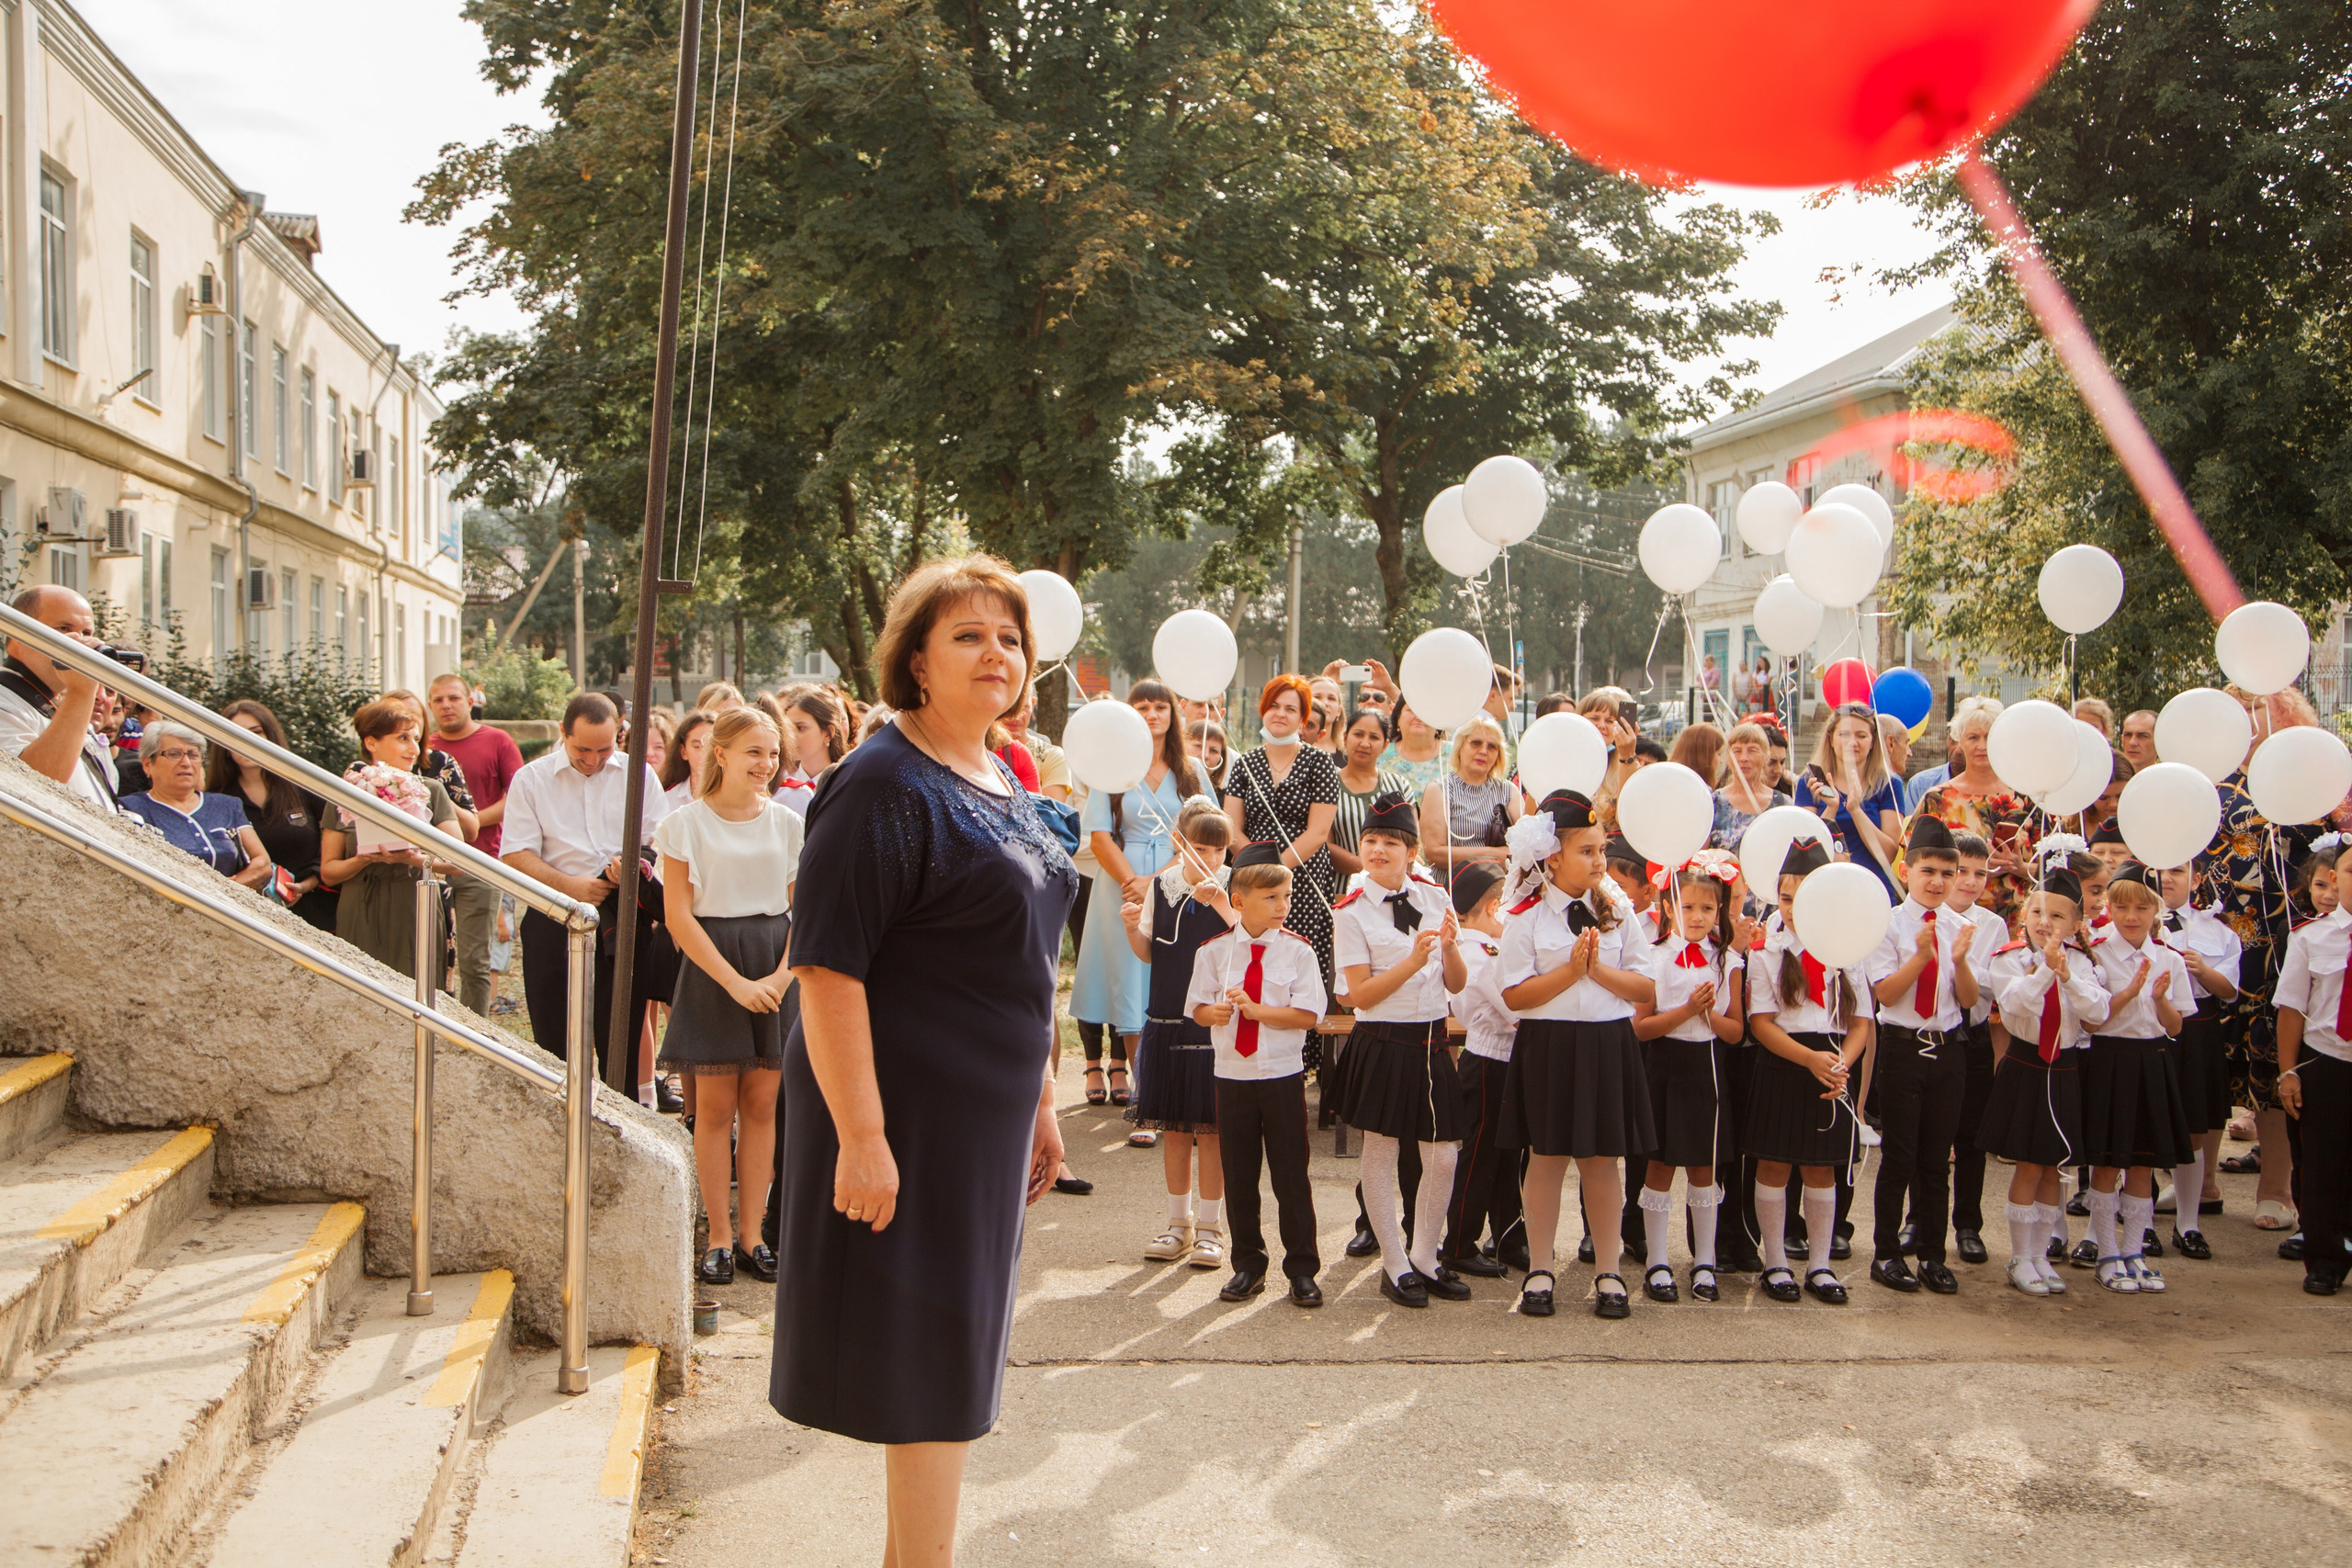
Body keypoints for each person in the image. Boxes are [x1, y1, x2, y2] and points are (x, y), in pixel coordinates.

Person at [772, 555, 1078, 1564]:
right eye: (968, 635)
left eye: (1009, 637)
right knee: (929, 1371)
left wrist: (1041, 1097)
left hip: (986, 1117)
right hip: (909, 1114)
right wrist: (862, 1138)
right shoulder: (880, 782)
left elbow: (1023, 958)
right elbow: (827, 969)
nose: (996, 653)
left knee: (947, 1368)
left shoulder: (999, 772)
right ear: (915, 658)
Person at [656, 706, 802, 1287]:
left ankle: (751, 1236)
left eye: (773, 753)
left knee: (763, 1106)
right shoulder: (684, 824)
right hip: (714, 967)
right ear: (720, 754)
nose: (766, 764)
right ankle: (717, 1235)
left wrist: (781, 978)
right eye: (754, 753)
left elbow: (803, 912)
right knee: (715, 1109)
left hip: (774, 963)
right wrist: (735, 983)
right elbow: (678, 916)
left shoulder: (787, 823)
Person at [1498, 789, 1657, 1320]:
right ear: (1553, 857)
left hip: (1606, 1044)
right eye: (1586, 851)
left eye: (1601, 849)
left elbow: (1645, 987)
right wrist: (1570, 972)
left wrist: (1596, 971)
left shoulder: (1617, 907)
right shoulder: (1525, 915)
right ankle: (1541, 1269)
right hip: (1549, 1046)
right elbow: (1515, 995)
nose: (1599, 860)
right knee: (1546, 1158)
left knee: (1601, 1161)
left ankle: (1609, 1271)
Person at [1329, 793, 1468, 1307]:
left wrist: (1449, 947)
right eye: (1370, 840)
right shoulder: (1350, 912)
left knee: (1443, 1156)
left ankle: (1426, 1257)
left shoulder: (1436, 896)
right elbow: (1360, 995)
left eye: (1390, 841)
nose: (1378, 849)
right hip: (1383, 1042)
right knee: (1381, 1153)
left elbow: (1456, 983)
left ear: (1411, 851)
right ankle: (1394, 1263)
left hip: (1431, 1041)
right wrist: (1411, 962)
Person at [500, 692, 675, 1095]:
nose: (593, 760)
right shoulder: (531, 779)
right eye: (582, 750)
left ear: (620, 736)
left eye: (604, 749)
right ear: (563, 732)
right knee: (554, 1039)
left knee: (621, 1040)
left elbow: (661, 841)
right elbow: (515, 854)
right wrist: (570, 887)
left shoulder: (639, 775)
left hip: (621, 917)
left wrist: (630, 866)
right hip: (553, 913)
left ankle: (621, 1118)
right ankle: (560, 1119)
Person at [1188, 841, 1328, 1307]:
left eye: (1286, 896)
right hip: (1232, 1076)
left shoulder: (1298, 951)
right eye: (1271, 898)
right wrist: (1213, 1013)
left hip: (1282, 1076)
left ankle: (1302, 1269)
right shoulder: (1213, 952)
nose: (1282, 906)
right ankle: (1248, 1265)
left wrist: (1260, 1011)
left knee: (1291, 1176)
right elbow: (1197, 1008)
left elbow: (1308, 1015)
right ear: (1239, 900)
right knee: (1240, 1174)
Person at [1745, 839, 1871, 1304]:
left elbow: (1861, 1023)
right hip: (1785, 1061)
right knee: (1774, 1164)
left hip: (1833, 1067)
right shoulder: (1767, 952)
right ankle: (1775, 1262)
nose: (1794, 909)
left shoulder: (1850, 950)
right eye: (1786, 898)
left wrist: (1841, 1064)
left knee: (1821, 1169)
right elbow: (1761, 1024)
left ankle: (1820, 1265)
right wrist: (1809, 1060)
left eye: (1805, 898)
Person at [1076, 681, 1210, 1106]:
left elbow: (1207, 836)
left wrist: (1157, 880)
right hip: (1121, 888)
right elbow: (1099, 836)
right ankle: (1147, 1094)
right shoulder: (1111, 768)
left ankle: (1178, 1087)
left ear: (1173, 713)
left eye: (1159, 707)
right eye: (1142, 707)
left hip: (1179, 885)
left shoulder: (1192, 770)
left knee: (1176, 984)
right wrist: (1133, 883)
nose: (1151, 714)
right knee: (1131, 990)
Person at [1978, 864, 2108, 1297]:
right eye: (2037, 912)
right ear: (2024, 915)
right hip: (2026, 1064)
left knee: (2055, 1165)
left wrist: (2066, 974)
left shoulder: (2083, 963)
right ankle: (2019, 1257)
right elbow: (2016, 1003)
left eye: (2057, 915)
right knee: (2029, 1165)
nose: (2045, 922)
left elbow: (2099, 1012)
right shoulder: (2010, 958)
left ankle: (2040, 1254)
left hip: (2065, 1067)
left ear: (2077, 924)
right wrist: (2045, 971)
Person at [1862, 815, 1977, 1296]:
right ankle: (1887, 1253)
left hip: (1948, 1051)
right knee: (1900, 1156)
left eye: (1948, 873)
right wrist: (1921, 957)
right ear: (1906, 871)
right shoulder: (1888, 925)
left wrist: (1959, 961)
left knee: (1936, 1160)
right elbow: (1887, 994)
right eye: (1928, 871)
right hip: (1903, 1048)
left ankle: (1933, 1254)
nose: (1937, 882)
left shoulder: (1960, 926)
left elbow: (1968, 1000)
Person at [1122, 805, 1237, 1267]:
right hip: (1168, 1017)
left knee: (1211, 1131)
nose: (1210, 858)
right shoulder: (1160, 888)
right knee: (1174, 1130)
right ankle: (1178, 1224)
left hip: (1212, 1023)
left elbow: (1250, 938)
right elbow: (1149, 952)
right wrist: (1131, 928)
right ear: (1179, 842)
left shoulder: (1234, 884)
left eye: (1219, 850)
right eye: (1200, 848)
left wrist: (1221, 901)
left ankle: (1211, 1227)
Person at [1630, 857, 1745, 1304]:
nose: (1697, 917)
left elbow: (1735, 1032)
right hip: (1664, 1066)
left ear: (1720, 911)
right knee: (1659, 1166)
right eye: (1688, 907)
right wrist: (1686, 1011)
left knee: (1704, 1168)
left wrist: (1708, 1014)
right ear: (1668, 907)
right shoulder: (1653, 957)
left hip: (1707, 1068)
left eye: (1707, 909)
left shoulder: (1727, 960)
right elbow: (1642, 1028)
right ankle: (1657, 1261)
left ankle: (1705, 1262)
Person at [2083, 862, 2193, 1294]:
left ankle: (2134, 1252)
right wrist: (2129, 993)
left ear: (2156, 910)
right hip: (2109, 1060)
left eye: (2142, 908)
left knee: (2143, 1163)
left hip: (2152, 1061)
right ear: (2108, 907)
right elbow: (2092, 1021)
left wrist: (2160, 999)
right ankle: (2106, 1252)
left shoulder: (2168, 957)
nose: (2131, 916)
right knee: (2108, 1162)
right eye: (2122, 906)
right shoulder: (2095, 952)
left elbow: (2176, 1027)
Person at [321, 697, 465, 978]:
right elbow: (329, 872)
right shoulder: (345, 793)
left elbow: (459, 863)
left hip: (414, 902)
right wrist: (362, 859)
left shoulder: (432, 790)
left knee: (418, 986)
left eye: (416, 739)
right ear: (371, 742)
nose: (414, 749)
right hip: (360, 904)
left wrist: (413, 859)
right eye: (402, 738)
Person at [1222, 675, 1340, 1009]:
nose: (1280, 713)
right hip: (1250, 876)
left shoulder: (1319, 763)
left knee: (1297, 968)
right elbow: (1231, 826)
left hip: (1302, 877)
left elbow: (1318, 833)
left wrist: (1276, 871)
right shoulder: (1245, 763)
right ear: (1263, 709)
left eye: (1291, 708)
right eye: (1274, 705)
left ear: (1303, 718)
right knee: (1251, 960)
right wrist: (1257, 869)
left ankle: (1302, 1040)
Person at [2274, 840, 2352, 1295]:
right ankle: (2324, 1260)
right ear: (2336, 878)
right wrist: (2288, 1072)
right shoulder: (2309, 936)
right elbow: (2292, 1009)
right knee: (2321, 1166)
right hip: (2326, 1061)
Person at [1438, 863, 1521, 1278]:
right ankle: (1459, 1243)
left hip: (1500, 1058)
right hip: (1489, 1060)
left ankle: (1508, 1237)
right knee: (1479, 1157)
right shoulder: (1484, 953)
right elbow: (1515, 1008)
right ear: (1493, 907)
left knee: (1507, 1156)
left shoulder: (1481, 947)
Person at [428, 673, 526, 1018]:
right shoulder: (424, 748)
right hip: (431, 863)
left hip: (481, 862)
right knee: (431, 953)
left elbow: (518, 797)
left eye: (454, 698)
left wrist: (468, 824)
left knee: (475, 959)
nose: (446, 705)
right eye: (438, 700)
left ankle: (474, 1030)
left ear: (471, 702)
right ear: (430, 706)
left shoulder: (498, 741)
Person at [2158, 862, 2239, 1258]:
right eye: (2158, 870)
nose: (2166, 878)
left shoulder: (2216, 929)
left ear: (2197, 879)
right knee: (2142, 1119)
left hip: (2197, 1030)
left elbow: (2229, 990)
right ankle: (2138, 1221)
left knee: (2193, 1124)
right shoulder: (2129, 922)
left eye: (2177, 870)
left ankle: (2188, 1223)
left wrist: (2202, 970)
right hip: (2149, 1025)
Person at [1938, 831, 2008, 1267]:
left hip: (1975, 1034)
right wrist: (1970, 972)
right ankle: (1919, 1219)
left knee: (1971, 1137)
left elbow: (1993, 982)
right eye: (1961, 871)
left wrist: (1964, 969)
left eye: (1980, 874)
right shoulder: (1927, 917)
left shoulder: (1993, 925)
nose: (1969, 881)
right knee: (1930, 1136)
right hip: (1936, 1034)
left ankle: (1968, 1225)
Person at [1905, 696, 2038, 922]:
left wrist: (2019, 867)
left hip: (2017, 921)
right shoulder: (1937, 799)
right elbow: (1914, 864)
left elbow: (2054, 868)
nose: (1982, 746)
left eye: (1989, 737)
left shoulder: (2028, 800)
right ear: (1960, 741)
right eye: (1973, 737)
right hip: (1948, 922)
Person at [215, 699, 335, 931]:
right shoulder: (219, 799)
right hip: (251, 920)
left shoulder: (305, 783)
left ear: (271, 736)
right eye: (235, 733)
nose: (247, 740)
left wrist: (307, 883)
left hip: (318, 914)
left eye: (256, 732)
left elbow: (334, 844)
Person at [0, 585, 119, 813]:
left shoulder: (62, 705)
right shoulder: (5, 697)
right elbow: (31, 790)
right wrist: (81, 693)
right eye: (65, 629)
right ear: (18, 633)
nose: (81, 643)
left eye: (87, 633)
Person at [120, 720, 273, 891]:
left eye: (193, 755)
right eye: (174, 754)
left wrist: (225, 892)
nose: (186, 762)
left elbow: (262, 863)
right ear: (148, 764)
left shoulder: (227, 805)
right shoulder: (131, 809)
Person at [1794, 702, 1905, 897]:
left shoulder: (1889, 784)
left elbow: (1888, 854)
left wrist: (1856, 810)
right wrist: (1831, 809)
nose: (1852, 742)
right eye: (1844, 734)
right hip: (1823, 891)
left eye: (1861, 736)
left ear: (1873, 742)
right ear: (1831, 739)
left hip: (1872, 891)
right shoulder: (1810, 781)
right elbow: (1804, 848)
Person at [1419, 712, 1521, 879]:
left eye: (1492, 746)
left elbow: (1528, 843)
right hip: (1451, 887)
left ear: (1498, 755)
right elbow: (1434, 854)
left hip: (1499, 886)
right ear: (1460, 747)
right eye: (1476, 743)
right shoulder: (1439, 790)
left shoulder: (1509, 791)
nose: (1483, 751)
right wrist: (1493, 855)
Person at [386, 689, 481, 844]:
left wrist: (434, 797)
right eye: (399, 715)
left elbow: (471, 831)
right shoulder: (363, 775)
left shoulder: (440, 762)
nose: (408, 722)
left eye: (413, 715)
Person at [1328, 708, 1407, 880]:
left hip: (1392, 888)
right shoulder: (1327, 784)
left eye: (1374, 737)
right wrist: (1372, 868)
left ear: (1385, 745)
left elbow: (1409, 840)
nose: (1365, 743)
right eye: (1358, 734)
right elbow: (1324, 843)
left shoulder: (1398, 785)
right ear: (1345, 737)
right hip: (1342, 889)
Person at [1711, 721, 1790, 854]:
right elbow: (1699, 857)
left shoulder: (1783, 804)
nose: (1743, 758)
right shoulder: (1714, 803)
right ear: (1728, 759)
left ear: (1766, 757)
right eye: (1737, 751)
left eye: (1752, 750)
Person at [1003, 691, 1069, 801]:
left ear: (1033, 704)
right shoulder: (980, 751)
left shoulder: (1051, 755)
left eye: (1024, 707)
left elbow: (1049, 810)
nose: (1016, 716)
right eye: (1010, 706)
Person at [1377, 700, 1449, 797]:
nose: (1418, 717)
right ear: (1398, 718)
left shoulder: (1458, 753)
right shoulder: (1379, 753)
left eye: (1427, 711)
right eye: (1411, 710)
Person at [661, 709, 716, 811]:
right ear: (684, 752)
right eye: (697, 746)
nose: (704, 753)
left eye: (710, 745)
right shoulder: (669, 800)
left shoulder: (736, 797)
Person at [1667, 722, 1724, 795]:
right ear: (1705, 756)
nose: (1721, 761)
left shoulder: (1666, 779)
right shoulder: (1700, 792)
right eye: (1719, 754)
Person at [1185, 717, 1229, 795]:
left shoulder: (1226, 797)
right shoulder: (1165, 784)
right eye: (1198, 746)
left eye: (1213, 750)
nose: (1205, 755)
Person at [2119, 709, 2158, 773]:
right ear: (2122, 740)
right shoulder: (2106, 776)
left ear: (2158, 743)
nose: (2132, 742)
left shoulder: (2169, 777)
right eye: (2128, 735)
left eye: (2142, 736)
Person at [1879, 713, 1914, 784]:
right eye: (1906, 743)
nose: (1910, 754)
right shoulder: (1893, 782)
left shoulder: (1857, 778)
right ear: (1890, 743)